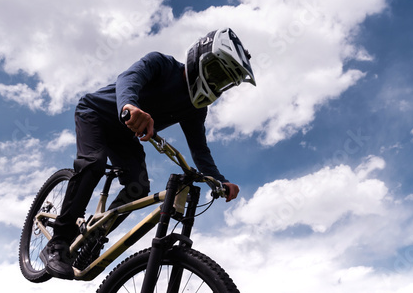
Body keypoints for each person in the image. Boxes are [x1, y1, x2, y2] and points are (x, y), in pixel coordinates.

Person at [41, 28, 256, 279]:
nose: (216, 83)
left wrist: (219, 180)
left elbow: (199, 148)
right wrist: (129, 106)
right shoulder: (162, 64)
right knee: (93, 164)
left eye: (223, 81)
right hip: (95, 115)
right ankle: (58, 242)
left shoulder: (196, 108)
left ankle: (95, 237)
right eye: (216, 73)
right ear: (200, 57)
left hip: (124, 136)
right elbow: (129, 78)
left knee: (139, 187)